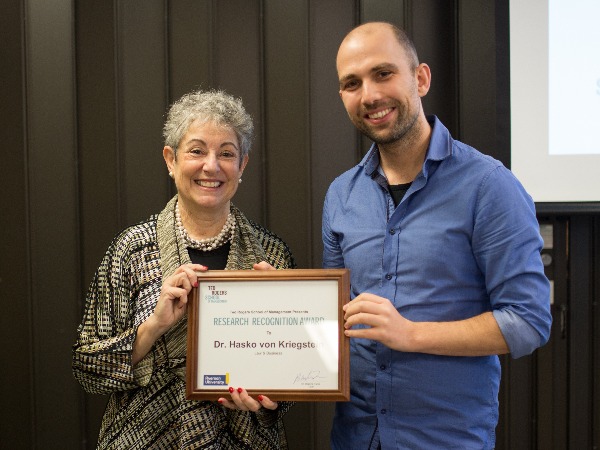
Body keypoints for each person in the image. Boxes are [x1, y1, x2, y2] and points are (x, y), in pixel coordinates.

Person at [322, 22, 552, 449]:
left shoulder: (489, 186)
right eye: (352, 83)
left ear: (421, 78)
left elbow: (528, 321)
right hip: (355, 438)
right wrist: (282, 305)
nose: (369, 95)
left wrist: (410, 333)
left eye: (383, 73)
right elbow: (338, 316)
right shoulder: (342, 195)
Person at [73, 89, 296, 449]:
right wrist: (154, 327)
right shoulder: (131, 250)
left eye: (227, 153)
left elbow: (289, 379)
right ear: (170, 159)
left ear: (243, 166)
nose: (212, 165)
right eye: (196, 150)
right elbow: (88, 369)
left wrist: (269, 399)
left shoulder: (270, 254)